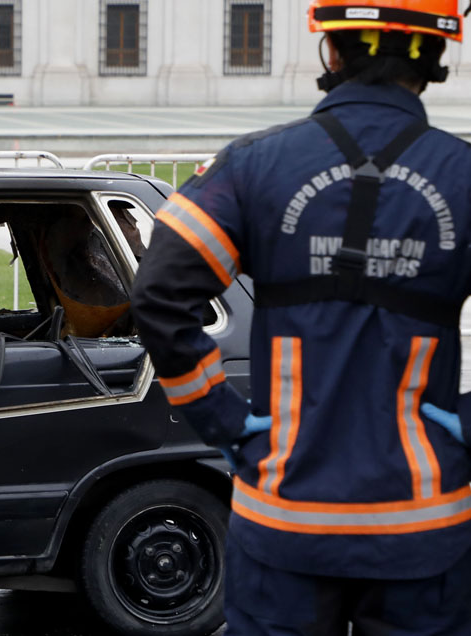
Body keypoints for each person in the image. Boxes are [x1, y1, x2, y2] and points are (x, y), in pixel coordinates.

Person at [131, 1, 471, 632]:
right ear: (434, 60)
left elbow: (159, 294)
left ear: (332, 53)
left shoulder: (253, 166)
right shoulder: (463, 176)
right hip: (423, 527)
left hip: (283, 519)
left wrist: (229, 425)